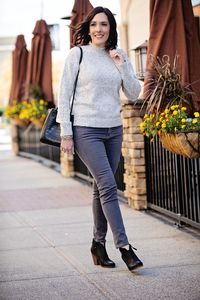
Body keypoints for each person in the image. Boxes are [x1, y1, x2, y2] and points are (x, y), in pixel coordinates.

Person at [57, 6, 143, 272]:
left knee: (99, 187)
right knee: (107, 185)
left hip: (113, 129)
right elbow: (64, 94)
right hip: (86, 130)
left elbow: (133, 93)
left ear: (110, 28)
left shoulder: (118, 55)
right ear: (89, 27)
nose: (98, 29)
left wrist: (123, 65)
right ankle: (125, 247)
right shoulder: (78, 54)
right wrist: (67, 133)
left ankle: (97, 245)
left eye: (104, 24)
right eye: (94, 24)